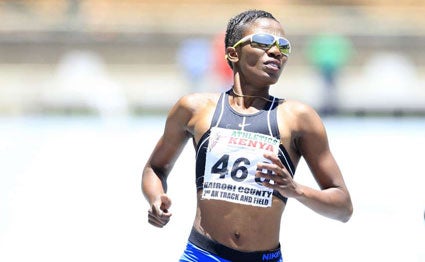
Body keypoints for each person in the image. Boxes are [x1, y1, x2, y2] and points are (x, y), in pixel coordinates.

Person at [142, 9, 353, 262]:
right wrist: (155, 198)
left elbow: (343, 207)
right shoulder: (194, 109)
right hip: (202, 254)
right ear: (233, 53)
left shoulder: (298, 118)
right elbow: (155, 168)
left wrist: (295, 189)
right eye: (264, 42)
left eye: (283, 47)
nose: (276, 51)